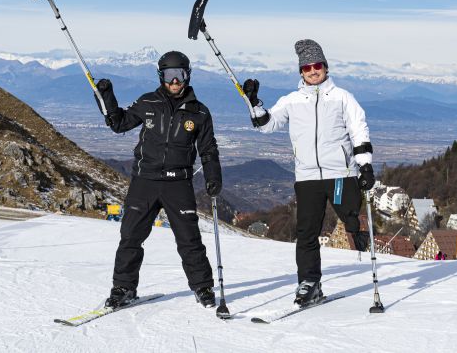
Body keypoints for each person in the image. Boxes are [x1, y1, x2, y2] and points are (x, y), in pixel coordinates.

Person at [243, 39, 375, 306]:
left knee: (351, 218)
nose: (313, 71)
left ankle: (361, 240)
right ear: (301, 72)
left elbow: (358, 129)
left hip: (340, 174)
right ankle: (309, 282)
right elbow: (266, 124)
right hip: (307, 178)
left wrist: (365, 164)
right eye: (307, 67)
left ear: (325, 67)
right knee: (306, 233)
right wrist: (253, 101)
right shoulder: (292, 100)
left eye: (317, 65)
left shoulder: (342, 97)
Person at [95, 50, 222, 309]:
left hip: (178, 184)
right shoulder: (148, 102)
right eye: (169, 75)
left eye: (180, 75)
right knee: (130, 236)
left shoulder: (199, 112)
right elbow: (118, 123)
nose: (175, 81)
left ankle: (203, 288)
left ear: (188, 76)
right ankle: (123, 288)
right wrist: (106, 96)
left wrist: (213, 175)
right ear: (161, 76)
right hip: (145, 181)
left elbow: (208, 149)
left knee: (189, 240)